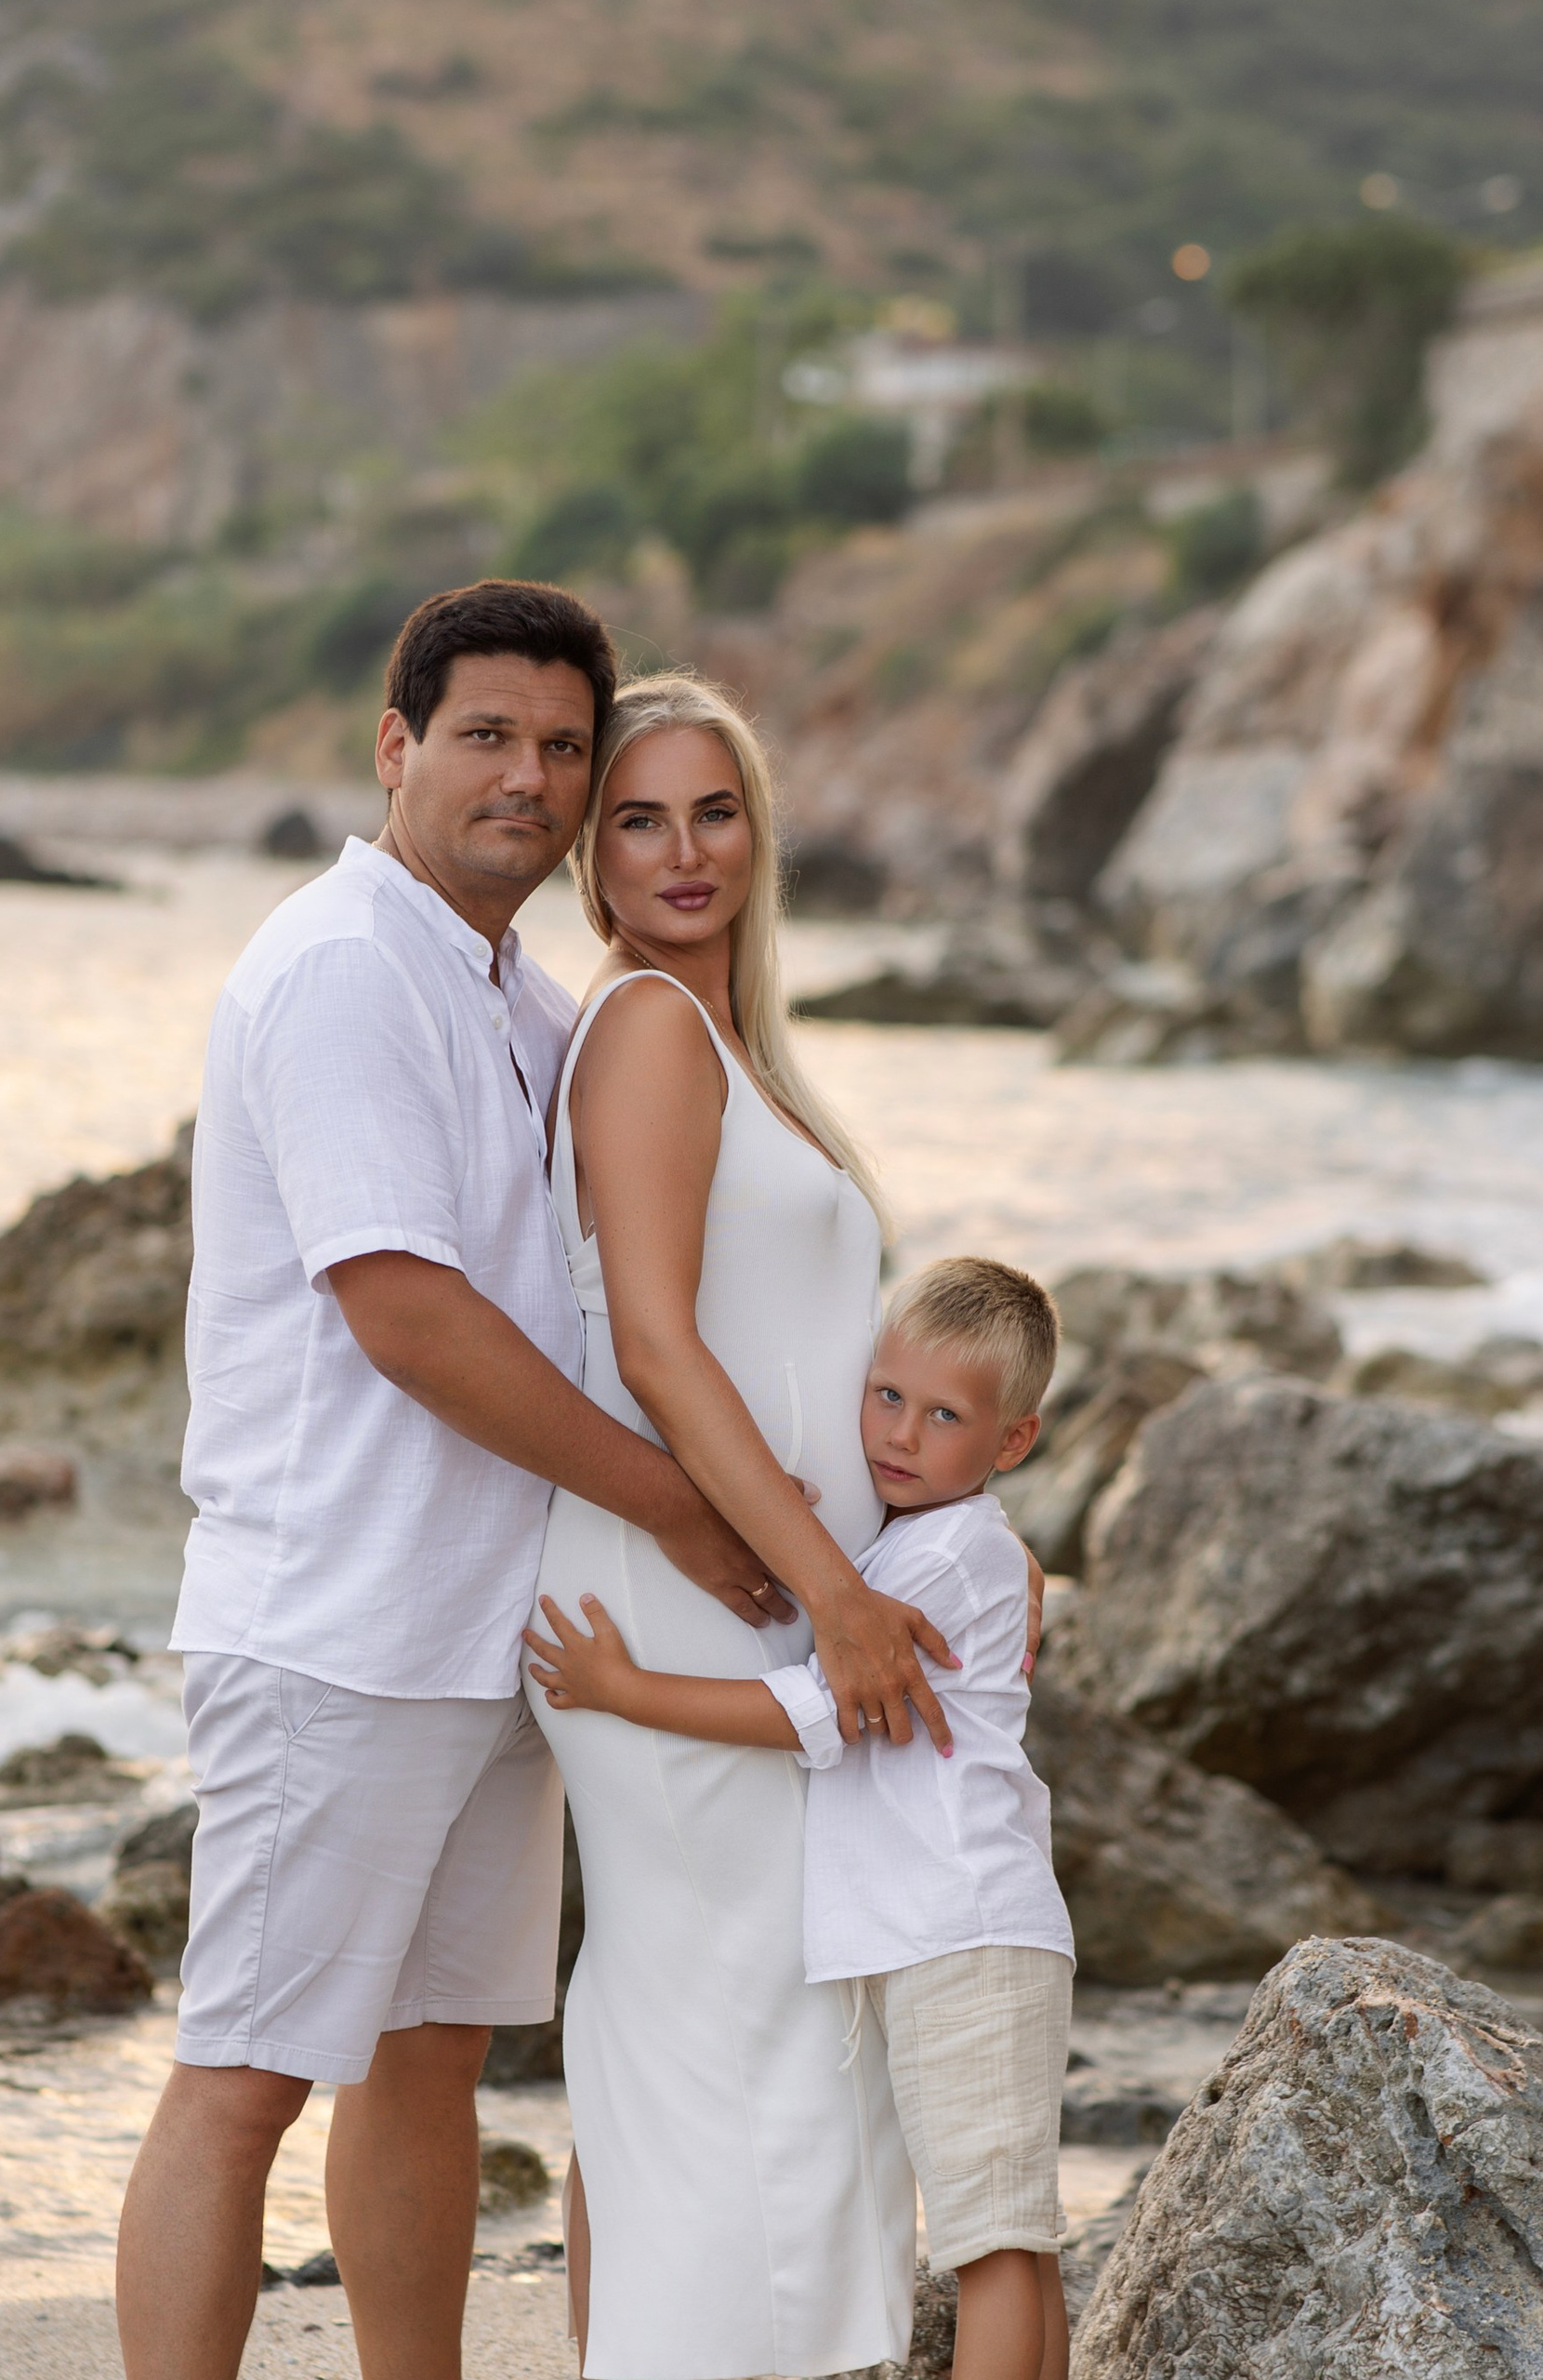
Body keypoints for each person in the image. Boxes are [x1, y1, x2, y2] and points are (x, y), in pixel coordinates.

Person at [114, 589, 948, 2380]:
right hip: (337, 1618)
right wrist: (673, 1501)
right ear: (397, 747)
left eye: (564, 749)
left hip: (497, 1627)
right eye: (490, 737)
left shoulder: (515, 991)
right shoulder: (345, 964)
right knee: (246, 2071)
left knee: (429, 2060)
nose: (534, 777)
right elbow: (407, 1314)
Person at [526, 672, 970, 2380]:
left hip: (759, 1593)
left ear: (758, 835)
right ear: (597, 860)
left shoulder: (731, 1052)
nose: (685, 849)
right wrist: (834, 1590)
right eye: (639, 817)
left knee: (738, 2031)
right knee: (733, 2033)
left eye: (715, 811)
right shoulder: (643, 1028)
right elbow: (651, 1342)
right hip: (700, 1590)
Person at [529, 1255, 1076, 2380]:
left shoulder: (951, 1550)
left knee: (993, 2242)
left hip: (963, 1926)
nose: (901, 1435)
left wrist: (628, 1692)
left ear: (1010, 1443)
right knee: (1000, 2231)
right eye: (886, 1396)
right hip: (941, 1927)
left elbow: (817, 1709)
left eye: (944, 1416)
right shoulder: (929, 1541)